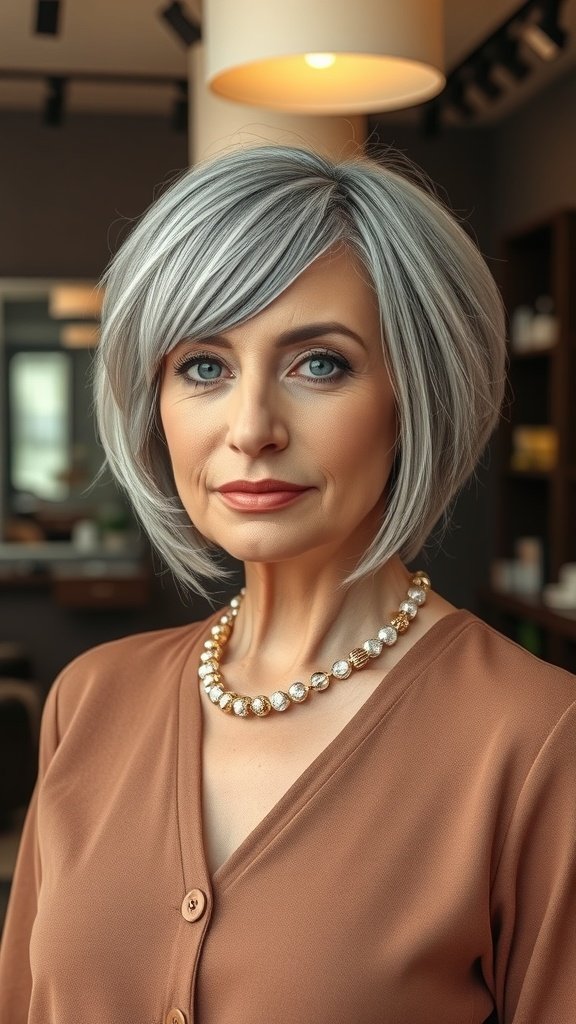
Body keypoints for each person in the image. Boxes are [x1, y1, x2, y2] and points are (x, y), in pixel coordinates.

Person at [1, 144, 575, 1024]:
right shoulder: (89, 700)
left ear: (415, 395)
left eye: (319, 364)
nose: (251, 428)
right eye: (204, 367)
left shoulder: (538, 740)